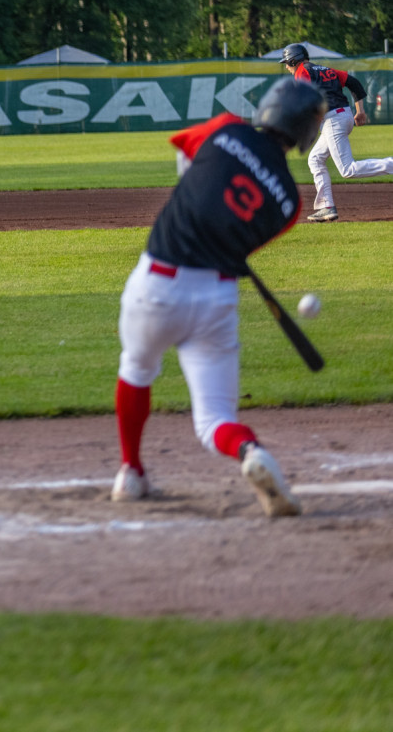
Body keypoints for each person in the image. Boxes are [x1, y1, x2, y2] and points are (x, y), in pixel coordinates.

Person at [110, 77, 326, 518]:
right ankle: (249, 451)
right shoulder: (289, 202)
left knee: (136, 369)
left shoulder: (225, 129)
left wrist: (189, 184)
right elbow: (240, 240)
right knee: (214, 420)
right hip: (215, 297)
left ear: (267, 108)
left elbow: (182, 146)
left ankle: (131, 472)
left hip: (157, 284)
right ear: (306, 132)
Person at [280, 42, 393, 223]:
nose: (286, 66)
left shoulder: (302, 71)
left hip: (333, 120)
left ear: (294, 60)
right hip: (341, 117)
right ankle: (326, 207)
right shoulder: (326, 69)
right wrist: (360, 110)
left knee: (348, 170)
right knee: (315, 159)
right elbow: (354, 83)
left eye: (287, 62)